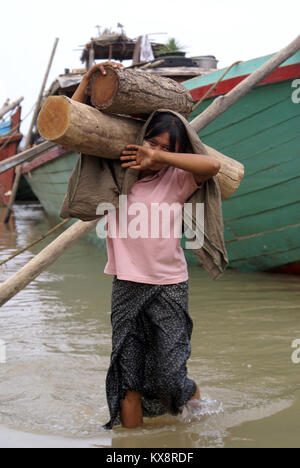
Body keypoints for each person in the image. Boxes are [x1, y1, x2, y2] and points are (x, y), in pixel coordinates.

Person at [70, 62, 222, 430]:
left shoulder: (178, 178)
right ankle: (132, 448)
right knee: (129, 381)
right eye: (149, 142)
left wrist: (160, 157)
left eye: (163, 147)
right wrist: (89, 80)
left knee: (170, 376)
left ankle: (189, 390)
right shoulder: (117, 171)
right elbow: (73, 127)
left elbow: (212, 165)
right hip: (126, 285)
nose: (151, 152)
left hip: (169, 286)